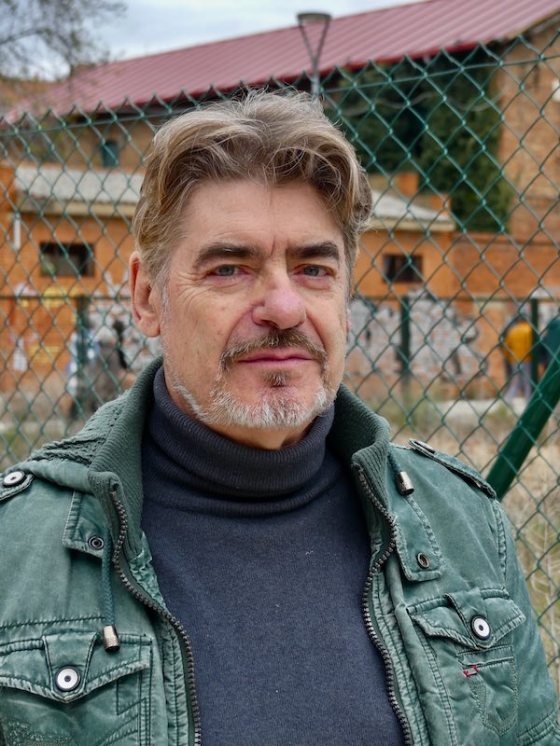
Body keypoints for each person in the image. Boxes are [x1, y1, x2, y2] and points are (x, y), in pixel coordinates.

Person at [0, 92, 558, 746]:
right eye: (230, 268)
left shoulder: (464, 525)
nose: (284, 307)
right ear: (147, 297)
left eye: (313, 268)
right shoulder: (18, 553)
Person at [501, 314, 534, 402]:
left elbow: (506, 347)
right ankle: (528, 401)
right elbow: (529, 346)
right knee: (527, 382)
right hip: (527, 359)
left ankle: (507, 400)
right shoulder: (529, 330)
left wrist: (508, 357)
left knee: (515, 382)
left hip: (514, 359)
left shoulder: (513, 330)